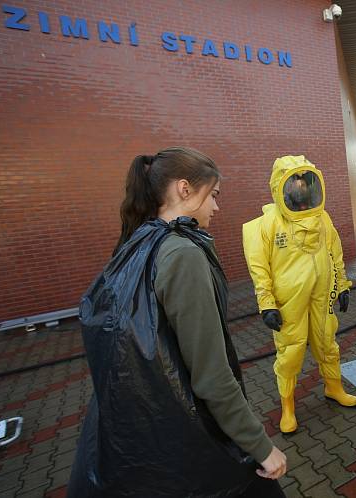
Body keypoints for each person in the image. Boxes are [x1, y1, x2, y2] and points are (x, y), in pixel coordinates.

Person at [68, 147, 286, 497]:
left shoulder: (137, 244)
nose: (216, 207)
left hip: (146, 440)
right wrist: (261, 447)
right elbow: (212, 378)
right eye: (213, 195)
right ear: (185, 189)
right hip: (194, 437)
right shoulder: (182, 254)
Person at [243, 155, 356, 434]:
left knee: (326, 340)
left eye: (302, 179)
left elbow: (335, 251)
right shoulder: (264, 225)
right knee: (291, 350)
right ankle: (288, 407)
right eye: (292, 180)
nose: (299, 185)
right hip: (288, 301)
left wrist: (341, 284)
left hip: (321, 294)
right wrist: (266, 304)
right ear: (279, 186)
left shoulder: (321, 217)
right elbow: (260, 269)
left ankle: (333, 387)